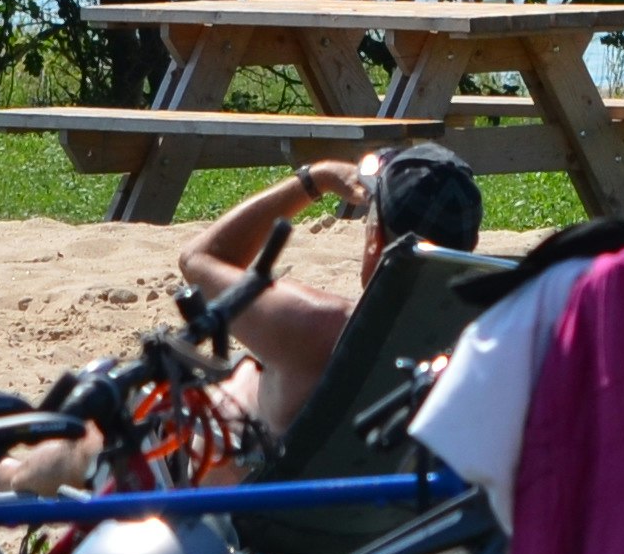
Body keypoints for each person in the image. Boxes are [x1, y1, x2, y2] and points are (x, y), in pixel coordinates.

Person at [167, 142, 483, 436]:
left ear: (374, 238)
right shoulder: (478, 339)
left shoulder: (319, 325)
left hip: (224, 468)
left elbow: (198, 259)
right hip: (386, 478)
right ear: (471, 244)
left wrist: (315, 179)